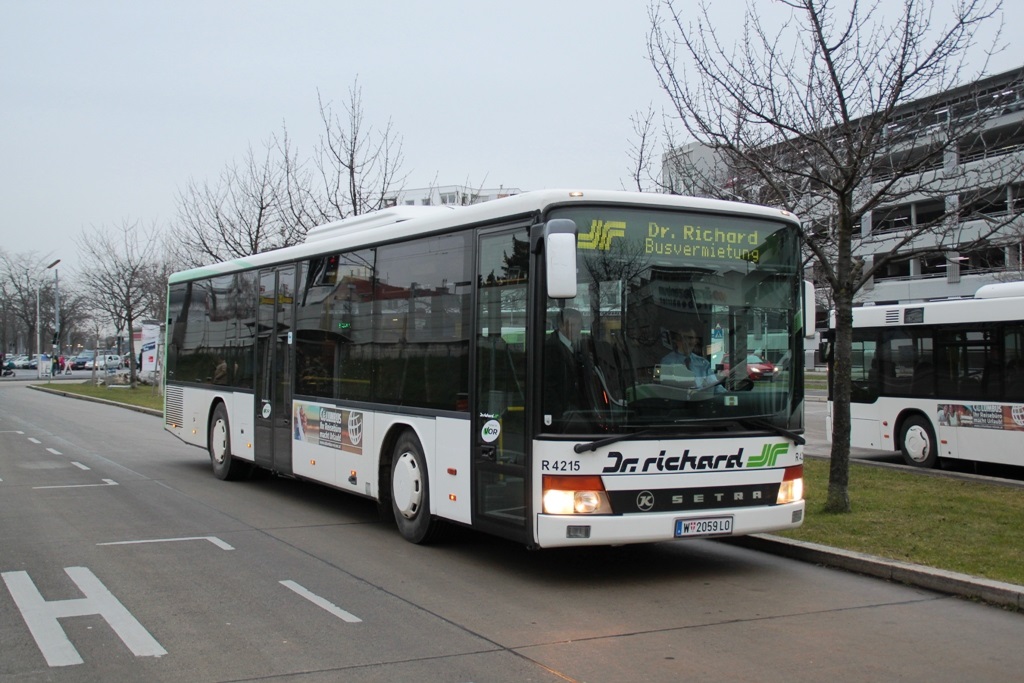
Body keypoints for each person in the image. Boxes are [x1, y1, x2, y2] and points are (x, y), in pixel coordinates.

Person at [542, 308, 586, 428]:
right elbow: (548, 387)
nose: (577, 329)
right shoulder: (551, 349)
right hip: (561, 416)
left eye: (579, 325)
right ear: (561, 326)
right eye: (573, 325)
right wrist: (559, 415)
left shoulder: (574, 346)